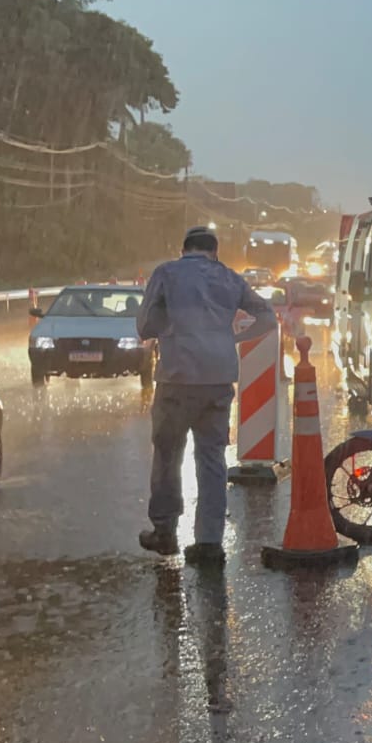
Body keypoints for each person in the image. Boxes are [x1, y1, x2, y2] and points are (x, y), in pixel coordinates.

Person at [137, 226, 278, 562]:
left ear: (183, 249)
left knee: (168, 454)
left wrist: (170, 326)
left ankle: (165, 531)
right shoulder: (230, 278)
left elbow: (144, 327)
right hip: (218, 380)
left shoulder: (166, 274)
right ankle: (209, 542)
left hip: (177, 379)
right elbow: (267, 318)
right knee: (212, 458)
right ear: (215, 253)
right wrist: (233, 338)